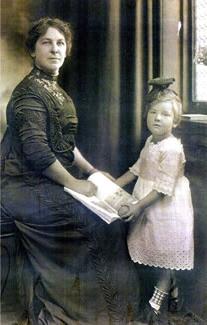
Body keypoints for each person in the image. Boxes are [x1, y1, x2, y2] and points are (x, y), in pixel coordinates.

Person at [1, 17, 139, 325]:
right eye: (46, 43)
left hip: (46, 180)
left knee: (113, 218)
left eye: (60, 43)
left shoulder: (52, 88)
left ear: (68, 49)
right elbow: (37, 153)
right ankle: (84, 315)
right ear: (32, 50)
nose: (54, 49)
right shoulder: (29, 94)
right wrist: (75, 184)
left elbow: (64, 145)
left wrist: (92, 173)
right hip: (23, 187)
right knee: (96, 225)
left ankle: (112, 313)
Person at [116, 78, 194, 325]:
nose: (157, 119)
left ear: (175, 120)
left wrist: (138, 206)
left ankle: (156, 303)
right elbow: (138, 168)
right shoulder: (151, 141)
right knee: (151, 248)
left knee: (165, 254)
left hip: (166, 207)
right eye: (153, 112)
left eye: (165, 115)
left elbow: (162, 189)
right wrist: (114, 184)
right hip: (146, 202)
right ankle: (170, 289)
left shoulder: (172, 148)